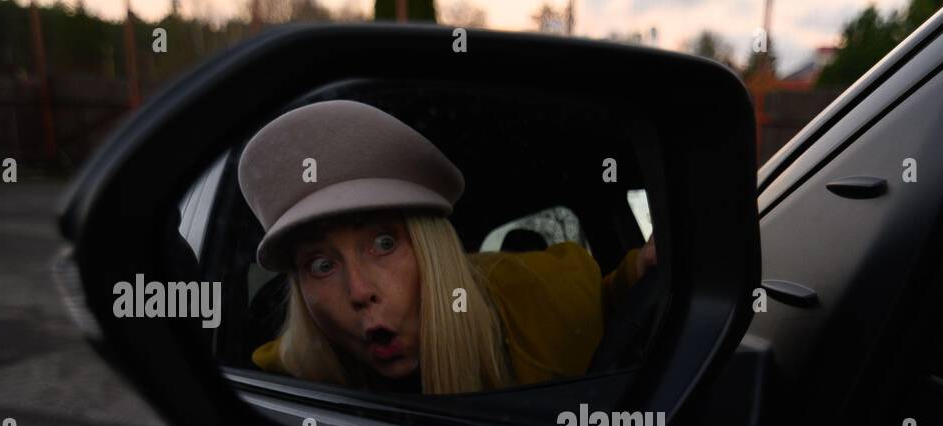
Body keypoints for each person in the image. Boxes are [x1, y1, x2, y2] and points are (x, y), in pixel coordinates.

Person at [236, 99, 656, 395]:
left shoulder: (544, 294)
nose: (359, 290)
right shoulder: (280, 375)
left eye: (383, 243)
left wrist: (644, 270)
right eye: (321, 265)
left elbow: (611, 301)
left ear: (433, 249)